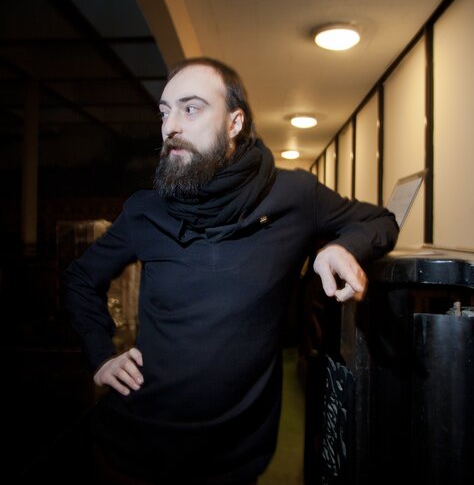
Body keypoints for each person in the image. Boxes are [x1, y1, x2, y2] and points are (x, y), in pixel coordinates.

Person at [61, 56, 399, 484]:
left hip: (234, 460)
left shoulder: (294, 195)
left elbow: (380, 220)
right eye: (164, 112)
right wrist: (101, 354)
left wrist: (341, 246)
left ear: (235, 122)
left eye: (191, 108)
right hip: (135, 449)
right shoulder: (145, 211)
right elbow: (80, 278)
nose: (170, 127)